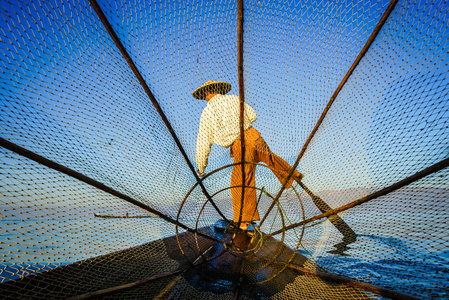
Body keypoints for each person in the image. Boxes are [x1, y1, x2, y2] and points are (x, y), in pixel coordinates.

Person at [193, 80, 303, 230]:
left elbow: (203, 142)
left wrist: (201, 167)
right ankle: (292, 174)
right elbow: (252, 115)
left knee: (240, 181)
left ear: (206, 93)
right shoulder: (233, 99)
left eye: (203, 95)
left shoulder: (208, 111)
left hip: (241, 144)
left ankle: (244, 222)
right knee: (269, 158)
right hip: (255, 136)